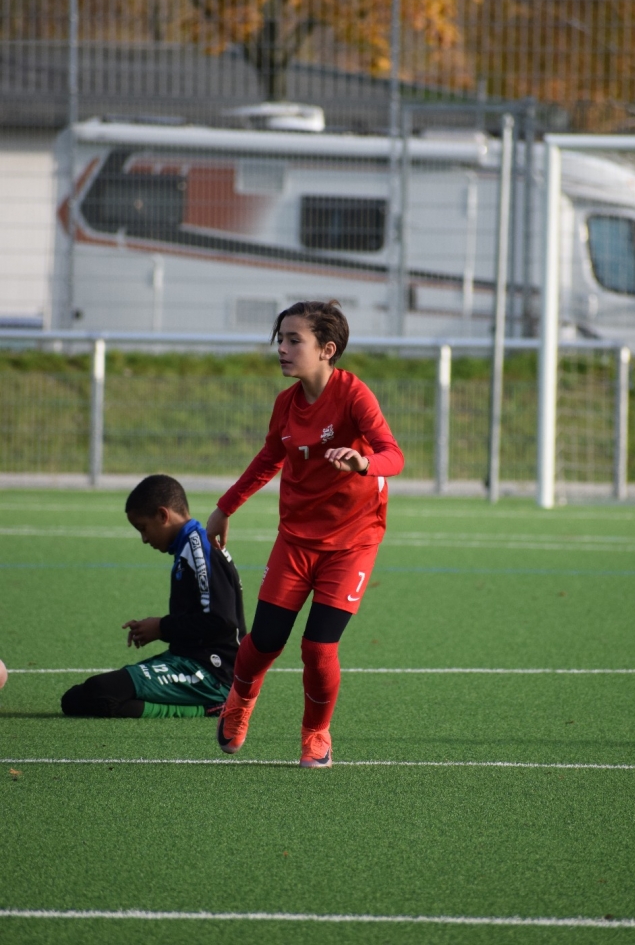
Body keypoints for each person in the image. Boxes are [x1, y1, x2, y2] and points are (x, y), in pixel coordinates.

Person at [206, 299, 404, 767]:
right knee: (264, 642)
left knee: (318, 648)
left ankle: (316, 732)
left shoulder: (354, 395)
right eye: (281, 339)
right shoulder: (286, 404)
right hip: (296, 540)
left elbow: (393, 455)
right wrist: (224, 507)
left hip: (353, 542)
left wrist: (363, 462)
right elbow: (268, 459)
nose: (282, 348)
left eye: (295, 340)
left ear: (326, 350)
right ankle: (240, 700)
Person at [61, 474, 245, 719]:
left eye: (143, 528)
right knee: (76, 698)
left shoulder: (198, 549)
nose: (144, 539)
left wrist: (161, 627)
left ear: (162, 515)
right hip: (187, 660)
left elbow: (222, 621)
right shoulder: (188, 547)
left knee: (101, 693)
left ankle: (214, 705)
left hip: (213, 673)